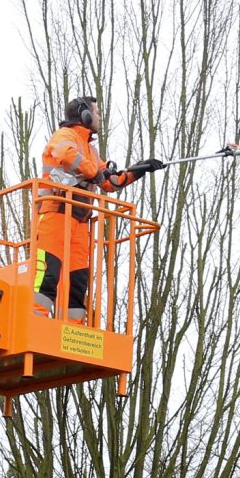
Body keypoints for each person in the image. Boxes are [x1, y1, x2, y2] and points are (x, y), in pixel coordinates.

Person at [34, 96, 167, 317]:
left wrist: (140, 169)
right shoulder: (65, 136)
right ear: (84, 115)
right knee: (47, 275)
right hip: (56, 213)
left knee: (78, 283)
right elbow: (65, 154)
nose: (98, 117)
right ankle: (35, 323)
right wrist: (94, 172)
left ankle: (73, 333)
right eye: (96, 113)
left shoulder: (91, 151)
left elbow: (109, 182)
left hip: (80, 221)